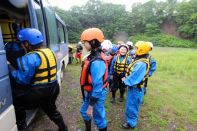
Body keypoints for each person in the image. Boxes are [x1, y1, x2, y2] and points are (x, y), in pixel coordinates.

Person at [10, 28, 68, 131]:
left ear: (28, 43)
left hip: (39, 92)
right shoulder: (50, 51)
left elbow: (22, 80)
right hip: (54, 88)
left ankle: (22, 128)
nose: (22, 46)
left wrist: (11, 71)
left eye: (23, 43)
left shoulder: (30, 58)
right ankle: (63, 128)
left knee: (19, 104)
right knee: (51, 109)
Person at [80, 28, 108, 131]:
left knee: (98, 118)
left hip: (96, 93)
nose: (84, 45)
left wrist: (91, 106)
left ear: (93, 42)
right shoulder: (93, 55)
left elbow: (98, 87)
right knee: (84, 111)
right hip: (91, 92)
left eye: (85, 42)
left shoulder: (97, 62)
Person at [122, 41, 151, 129]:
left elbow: (134, 77)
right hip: (134, 88)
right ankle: (130, 120)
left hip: (136, 89)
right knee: (131, 105)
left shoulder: (141, 63)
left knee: (132, 106)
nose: (135, 49)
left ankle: (131, 123)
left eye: (136, 48)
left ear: (141, 50)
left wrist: (125, 80)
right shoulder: (139, 59)